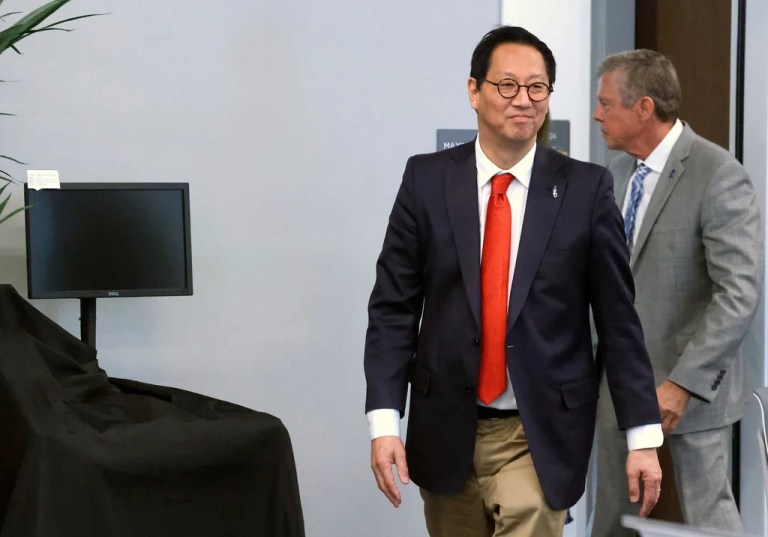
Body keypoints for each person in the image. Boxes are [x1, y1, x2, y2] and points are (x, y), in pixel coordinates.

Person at [364, 26, 663, 537]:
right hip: (446, 429)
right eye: (506, 86)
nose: (522, 100)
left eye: (536, 87)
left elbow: (619, 321)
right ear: (473, 92)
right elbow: (393, 308)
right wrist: (385, 423)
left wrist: (643, 436)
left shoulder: (585, 190)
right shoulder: (426, 180)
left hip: (539, 430)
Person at [591, 49, 763, 536]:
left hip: (690, 389)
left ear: (643, 108)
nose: (597, 113)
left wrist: (684, 383)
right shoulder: (614, 174)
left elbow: (739, 292)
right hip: (615, 386)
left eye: (607, 104)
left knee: (712, 521)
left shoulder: (717, 173)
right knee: (610, 522)